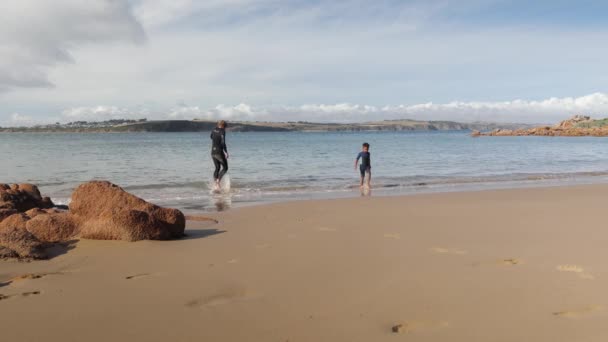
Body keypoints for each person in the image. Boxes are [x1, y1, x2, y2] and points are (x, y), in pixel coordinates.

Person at [210, 120, 229, 190]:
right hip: (219, 152)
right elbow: (223, 142)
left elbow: (211, 137)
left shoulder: (214, 130)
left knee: (217, 168)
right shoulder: (222, 131)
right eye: (225, 127)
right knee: (225, 168)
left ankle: (216, 185)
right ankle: (218, 182)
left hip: (213, 152)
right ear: (224, 126)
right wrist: (226, 152)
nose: (225, 128)